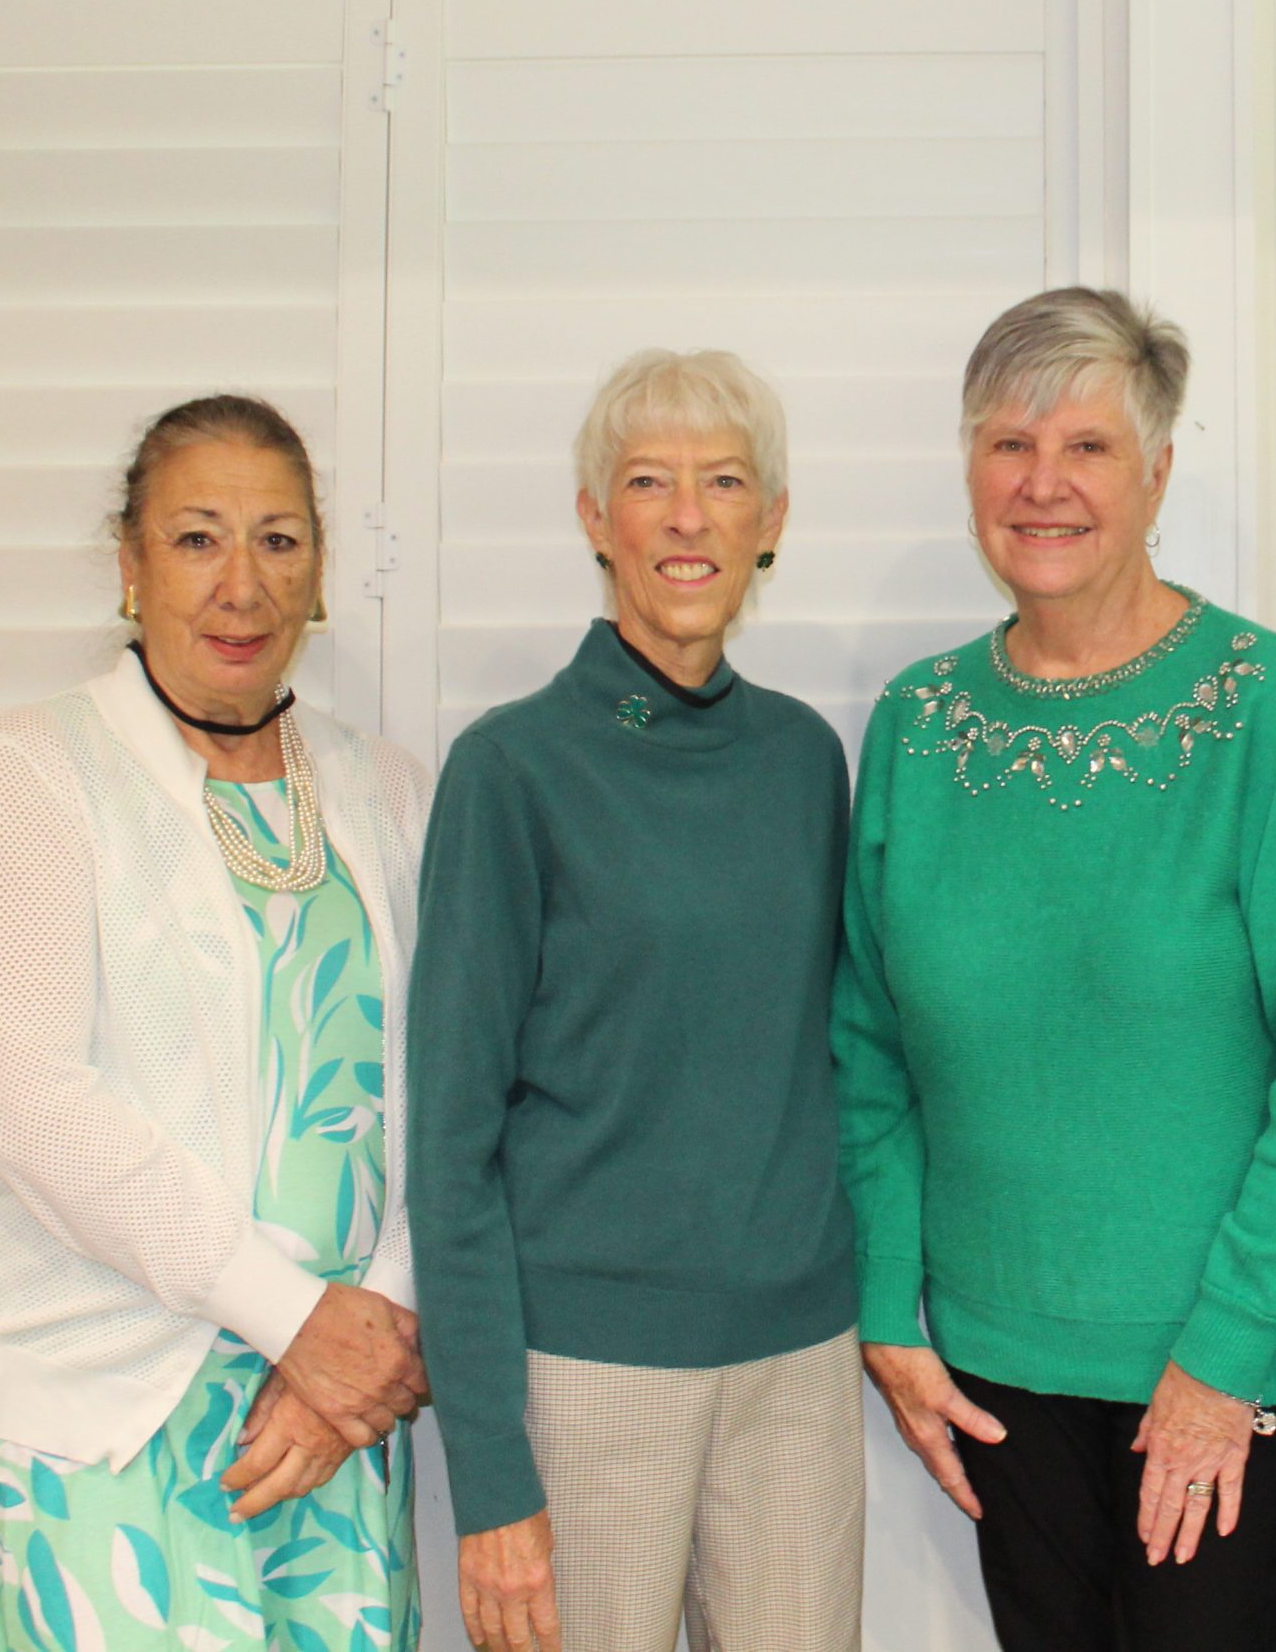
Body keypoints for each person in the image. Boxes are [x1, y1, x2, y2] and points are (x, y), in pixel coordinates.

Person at [835, 287, 1276, 1651]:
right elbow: (867, 1046)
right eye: (1008, 443)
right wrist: (885, 1305)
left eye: (1086, 446)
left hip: (1235, 1361)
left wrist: (1222, 1354)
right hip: (998, 1359)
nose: (1043, 483)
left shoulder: (1263, 706)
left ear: (1155, 472)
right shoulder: (917, 724)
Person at [0, 395, 430, 1648]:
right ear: (130, 563)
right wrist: (291, 1315)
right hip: (104, 1421)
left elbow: (454, 1084)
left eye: (278, 540)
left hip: (333, 1422)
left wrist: (377, 1327)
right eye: (198, 537)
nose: (240, 584)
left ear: (319, 570)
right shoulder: (33, 767)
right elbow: (35, 1104)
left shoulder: (390, 789)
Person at [409, 348, 862, 1652]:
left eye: (724, 480)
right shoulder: (511, 769)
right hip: (586, 1373)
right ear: (593, 516)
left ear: (771, 520)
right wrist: (490, 1473)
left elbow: (832, 1059)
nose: (686, 516)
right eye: (649, 481)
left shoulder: (804, 761)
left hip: (796, 1364)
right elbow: (450, 1138)